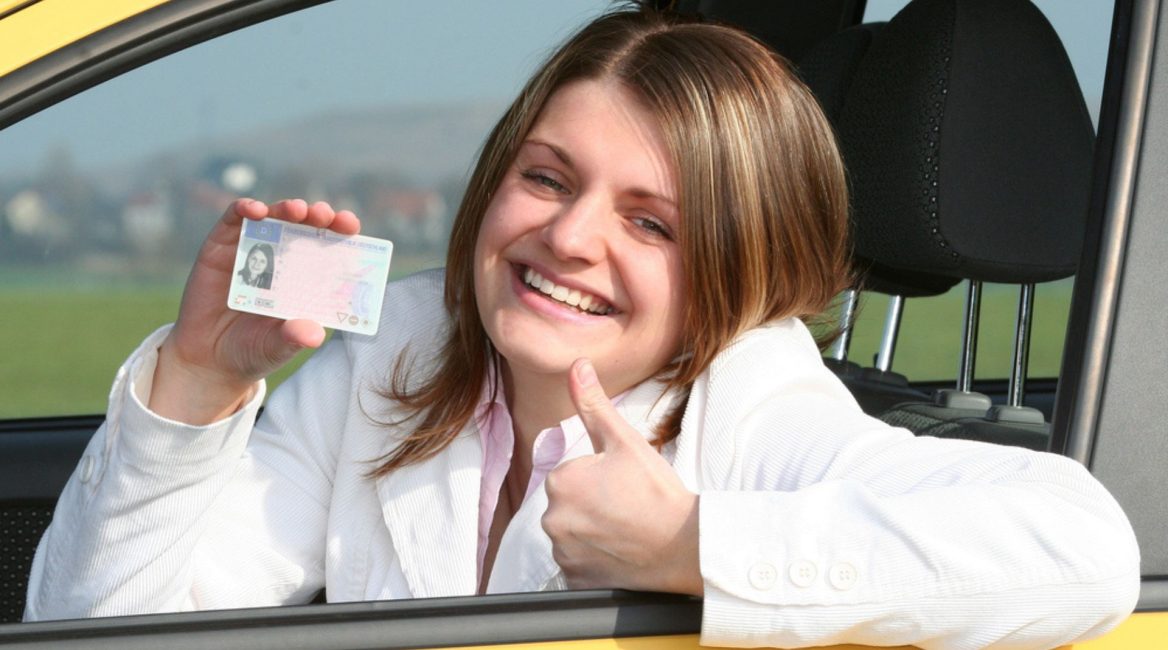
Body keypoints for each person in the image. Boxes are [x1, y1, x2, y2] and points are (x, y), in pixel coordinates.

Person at [24, 5, 1139, 649]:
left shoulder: (752, 399)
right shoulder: (393, 348)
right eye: (546, 177)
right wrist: (198, 383)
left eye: (649, 222)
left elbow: (1085, 547)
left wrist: (689, 546)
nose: (568, 236)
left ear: (729, 270)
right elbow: (106, 628)